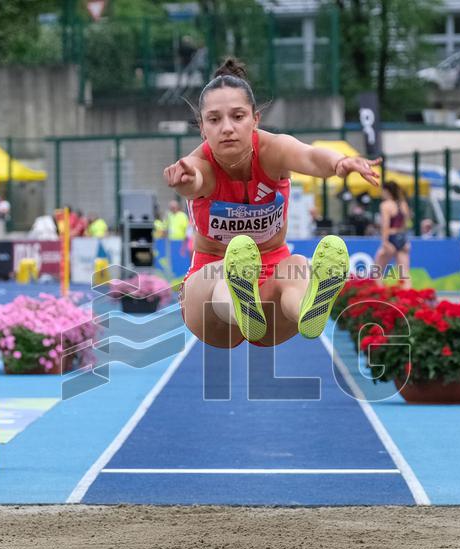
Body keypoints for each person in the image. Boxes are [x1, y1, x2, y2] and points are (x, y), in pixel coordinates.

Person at [163, 57, 380, 348]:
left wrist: (340, 162)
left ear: (255, 119)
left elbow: (310, 156)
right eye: (215, 119)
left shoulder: (273, 151)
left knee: (298, 266)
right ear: (202, 128)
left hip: (271, 289)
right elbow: (196, 181)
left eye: (237, 117)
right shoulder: (198, 164)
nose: (226, 128)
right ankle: (241, 304)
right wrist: (185, 179)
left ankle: (307, 307)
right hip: (210, 297)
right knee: (222, 278)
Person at [373, 181, 411, 280]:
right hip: (402, 238)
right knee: (404, 274)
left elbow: (385, 226)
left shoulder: (385, 205)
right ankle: (409, 294)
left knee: (377, 270)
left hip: (391, 238)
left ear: (387, 191)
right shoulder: (403, 204)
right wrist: (405, 241)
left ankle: (378, 293)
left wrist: (385, 242)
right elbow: (405, 225)